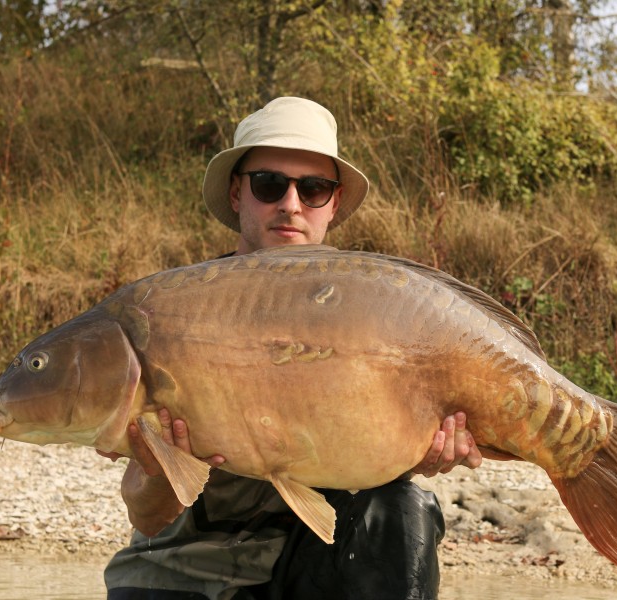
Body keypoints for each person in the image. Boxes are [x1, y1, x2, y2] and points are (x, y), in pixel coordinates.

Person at [102, 97, 483, 600]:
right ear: (237, 193)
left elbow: (383, 457)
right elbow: (146, 514)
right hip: (197, 567)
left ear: (335, 203)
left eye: (314, 188)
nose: (291, 203)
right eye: (269, 184)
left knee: (402, 509)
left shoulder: (377, 313)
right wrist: (157, 468)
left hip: (319, 558)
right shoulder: (180, 312)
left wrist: (418, 449)